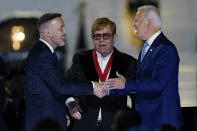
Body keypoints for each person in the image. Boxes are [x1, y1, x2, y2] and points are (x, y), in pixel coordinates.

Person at [105, 5, 183, 131]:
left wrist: (125, 84)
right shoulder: (147, 48)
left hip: (162, 121)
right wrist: (106, 89)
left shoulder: (166, 49)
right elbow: (137, 83)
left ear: (149, 22)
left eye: (137, 20)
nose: (133, 25)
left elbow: (159, 84)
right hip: (147, 119)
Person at [25, 13, 103, 131]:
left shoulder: (47, 52)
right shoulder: (42, 54)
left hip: (49, 120)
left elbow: (52, 87)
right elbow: (60, 86)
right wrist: (92, 86)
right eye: (61, 27)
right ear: (48, 32)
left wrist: (68, 103)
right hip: (43, 124)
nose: (65, 32)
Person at [66, 17, 137, 131]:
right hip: (85, 124)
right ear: (92, 38)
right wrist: (70, 103)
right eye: (97, 36)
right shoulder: (81, 59)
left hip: (116, 125)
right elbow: (67, 85)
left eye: (106, 35)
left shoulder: (128, 62)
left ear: (114, 37)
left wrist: (133, 122)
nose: (101, 40)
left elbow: (136, 96)